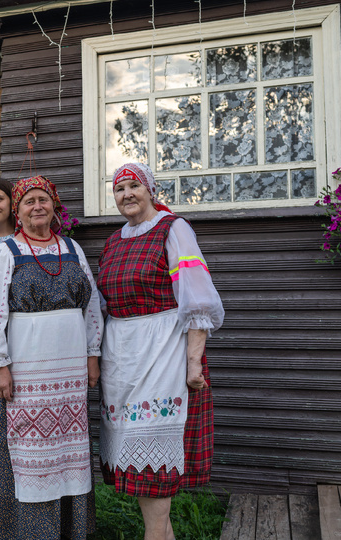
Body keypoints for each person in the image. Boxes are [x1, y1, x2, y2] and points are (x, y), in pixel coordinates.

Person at [97, 163, 224, 540]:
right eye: (119, 189)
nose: (127, 194)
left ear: (150, 190)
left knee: (153, 468)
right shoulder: (114, 240)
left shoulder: (174, 229)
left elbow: (196, 298)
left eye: (134, 186)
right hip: (122, 358)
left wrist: (193, 362)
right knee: (135, 466)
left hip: (163, 353)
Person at [0, 175, 102, 540]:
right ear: (18, 209)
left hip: (69, 368)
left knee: (67, 447)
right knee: (27, 449)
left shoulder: (72, 250)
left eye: (43, 200)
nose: (37, 207)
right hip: (24, 369)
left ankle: (71, 529)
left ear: (54, 205)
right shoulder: (6, 253)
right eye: (29, 201)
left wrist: (93, 354)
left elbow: (91, 305)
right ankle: (22, 531)